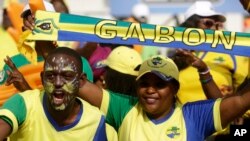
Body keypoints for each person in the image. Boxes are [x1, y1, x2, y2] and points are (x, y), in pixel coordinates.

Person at [76, 54, 250, 141]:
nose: (150, 90)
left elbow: (242, 101)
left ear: (175, 88)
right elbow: (77, 83)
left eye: (160, 84)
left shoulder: (194, 116)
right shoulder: (125, 108)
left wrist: (204, 72)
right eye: (144, 84)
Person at [0, 47, 117, 141]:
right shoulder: (22, 104)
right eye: (50, 76)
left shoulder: (97, 123)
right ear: (42, 78)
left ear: (81, 81)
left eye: (67, 76)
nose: (57, 83)